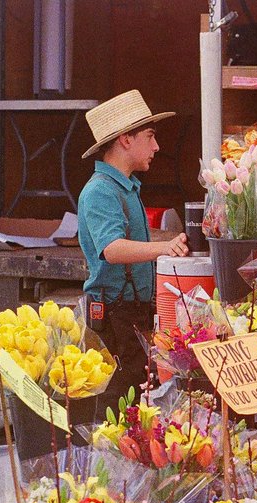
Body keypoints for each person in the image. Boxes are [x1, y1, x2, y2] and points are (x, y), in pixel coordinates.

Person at [77, 90, 188, 416]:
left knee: (137, 396)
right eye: (150, 136)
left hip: (131, 312)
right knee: (117, 399)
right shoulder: (100, 190)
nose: (156, 146)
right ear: (125, 139)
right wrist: (163, 248)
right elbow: (111, 249)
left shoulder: (124, 186)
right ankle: (105, 462)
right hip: (114, 315)